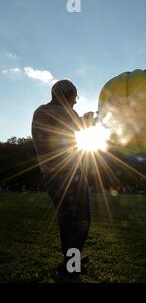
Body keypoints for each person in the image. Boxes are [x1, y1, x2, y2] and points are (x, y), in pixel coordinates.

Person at [31, 79, 95, 278]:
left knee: (66, 221)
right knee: (82, 220)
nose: (75, 102)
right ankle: (70, 267)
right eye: (74, 98)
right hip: (70, 175)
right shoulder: (64, 113)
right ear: (66, 96)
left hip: (50, 177)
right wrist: (87, 121)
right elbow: (73, 128)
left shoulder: (39, 112)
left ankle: (71, 261)